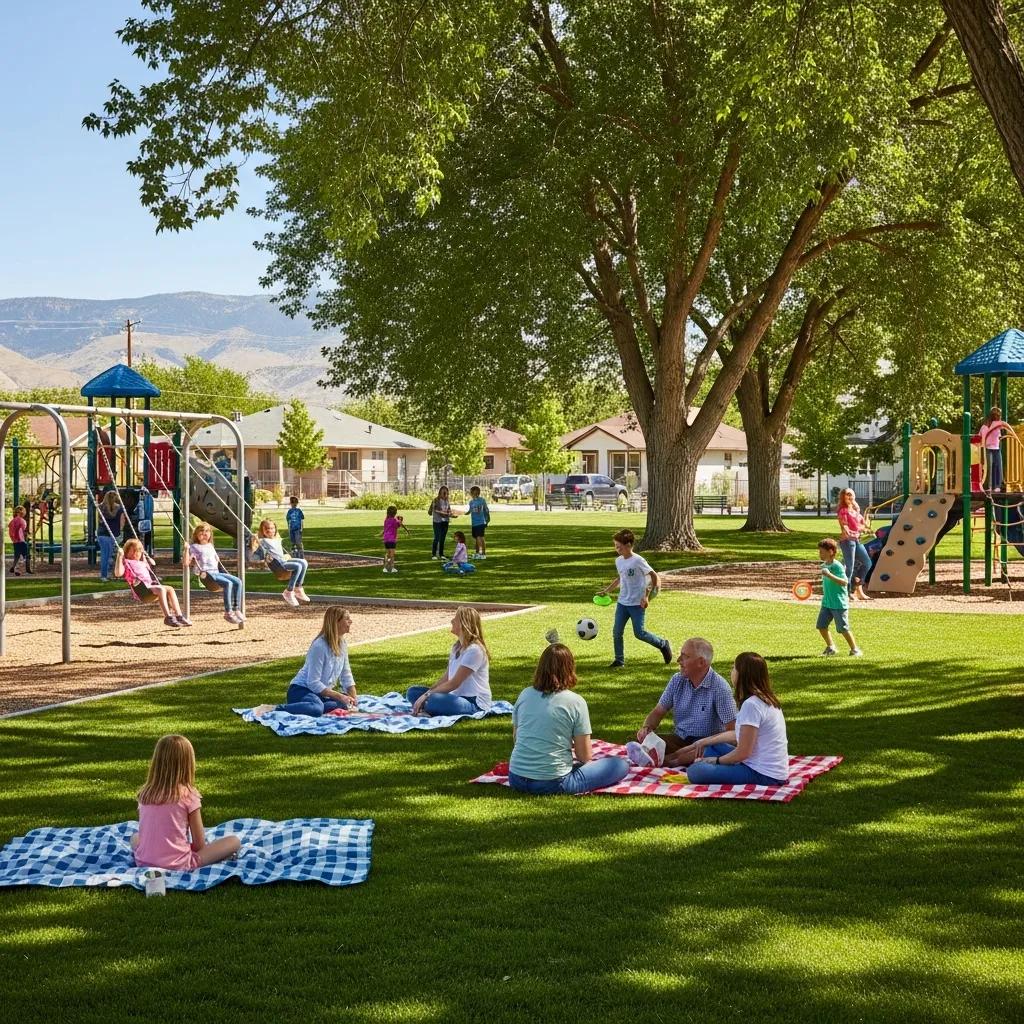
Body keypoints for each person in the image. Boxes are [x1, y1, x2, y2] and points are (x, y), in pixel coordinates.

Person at [508, 643, 629, 795]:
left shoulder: (525, 694)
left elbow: (517, 737)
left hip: (516, 777)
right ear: (569, 668)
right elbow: (584, 756)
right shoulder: (576, 702)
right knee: (620, 765)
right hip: (554, 783)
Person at [132, 734, 241, 871]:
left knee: (135, 837)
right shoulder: (188, 795)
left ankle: (153, 856)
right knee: (234, 841)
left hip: (144, 861)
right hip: (178, 864)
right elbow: (199, 845)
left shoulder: (145, 794)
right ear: (188, 763)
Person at [626, 637, 738, 768]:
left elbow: (732, 731)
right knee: (637, 740)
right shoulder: (677, 680)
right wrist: (646, 728)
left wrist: (706, 744)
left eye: (685, 657)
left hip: (705, 744)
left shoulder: (719, 688)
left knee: (693, 755)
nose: (679, 660)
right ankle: (661, 759)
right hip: (680, 739)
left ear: (701, 662)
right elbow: (658, 711)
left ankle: (663, 761)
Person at [685, 652, 790, 787]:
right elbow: (740, 734)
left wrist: (717, 761)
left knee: (695, 771)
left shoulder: (752, 705)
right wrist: (705, 741)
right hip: (761, 766)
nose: (731, 671)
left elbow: (743, 752)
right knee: (712, 746)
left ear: (743, 675)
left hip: (763, 774)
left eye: (734, 668)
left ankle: (708, 765)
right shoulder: (767, 699)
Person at [252, 607, 358, 718]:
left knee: (344, 703)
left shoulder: (342, 644)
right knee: (317, 709)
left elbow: (346, 675)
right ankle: (273, 708)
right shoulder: (319, 646)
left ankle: (308, 707)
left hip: (320, 693)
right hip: (301, 690)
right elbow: (313, 682)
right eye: (347, 619)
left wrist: (354, 700)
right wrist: (339, 696)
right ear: (336, 622)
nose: (351, 621)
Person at [597, 528, 672, 669]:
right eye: (615, 546)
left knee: (640, 633)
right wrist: (606, 591)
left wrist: (646, 596)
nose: (617, 549)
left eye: (619, 546)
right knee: (617, 632)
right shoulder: (618, 561)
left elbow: (654, 576)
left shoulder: (638, 560)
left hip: (637, 603)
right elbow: (620, 577)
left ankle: (663, 644)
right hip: (622, 602)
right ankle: (619, 660)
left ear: (629, 545)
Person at [407, 607, 492, 715]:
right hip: (455, 697)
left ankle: (429, 707)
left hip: (474, 702)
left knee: (434, 700)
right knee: (413, 692)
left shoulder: (475, 650)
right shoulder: (456, 647)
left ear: (463, 624)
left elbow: (454, 683)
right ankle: (429, 707)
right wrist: (427, 693)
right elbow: (446, 678)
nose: (451, 621)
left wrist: (428, 696)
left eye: (455, 619)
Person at [115, 539, 191, 627]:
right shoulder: (126, 562)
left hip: (150, 587)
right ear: (126, 552)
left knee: (170, 589)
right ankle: (168, 617)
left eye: (137, 551)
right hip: (141, 590)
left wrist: (145, 555)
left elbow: (153, 563)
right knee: (161, 589)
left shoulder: (142, 562)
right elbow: (118, 573)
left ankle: (179, 616)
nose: (135, 554)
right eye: (132, 551)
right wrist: (119, 557)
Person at [188, 522, 245, 623]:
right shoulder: (194, 547)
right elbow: (187, 562)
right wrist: (187, 552)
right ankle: (228, 612)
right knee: (228, 583)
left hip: (216, 572)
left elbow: (216, 563)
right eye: (201, 531)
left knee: (238, 581)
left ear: (210, 534)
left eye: (207, 531)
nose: (204, 533)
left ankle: (236, 609)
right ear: (196, 534)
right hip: (205, 574)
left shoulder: (210, 546)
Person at [816, 538, 861, 656]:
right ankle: (831, 647)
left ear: (831, 551)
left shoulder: (837, 566)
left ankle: (855, 649)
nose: (819, 554)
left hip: (839, 603)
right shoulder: (824, 565)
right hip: (827, 603)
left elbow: (844, 582)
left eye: (822, 552)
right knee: (821, 626)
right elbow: (826, 581)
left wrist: (829, 575)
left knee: (843, 628)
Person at [251, 518, 310, 607]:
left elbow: (280, 553)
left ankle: (298, 587)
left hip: (283, 561)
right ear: (262, 531)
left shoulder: (277, 539)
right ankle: (289, 591)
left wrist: (287, 556)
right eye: (266, 529)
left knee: (304, 562)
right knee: (297, 566)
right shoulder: (263, 541)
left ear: (275, 529)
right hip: (278, 565)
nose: (270, 530)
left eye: (272, 528)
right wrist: (255, 539)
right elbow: (256, 554)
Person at [836, 487, 871, 601]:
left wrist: (865, 527)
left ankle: (857, 584)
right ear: (843, 497)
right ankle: (846, 592)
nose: (850, 497)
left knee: (867, 563)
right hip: (847, 541)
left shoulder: (856, 510)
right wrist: (848, 530)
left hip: (856, 540)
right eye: (847, 495)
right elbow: (845, 524)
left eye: (851, 494)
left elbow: (863, 525)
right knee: (849, 567)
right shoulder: (843, 510)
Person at [979, 407, 1018, 493]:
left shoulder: (996, 425)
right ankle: (989, 486)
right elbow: (982, 439)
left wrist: (1014, 436)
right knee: (989, 467)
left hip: (995, 448)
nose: (998, 417)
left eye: (999, 415)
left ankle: (996, 486)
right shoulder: (986, 426)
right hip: (987, 449)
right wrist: (982, 451)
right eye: (997, 415)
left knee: (997, 467)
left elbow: (1007, 427)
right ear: (993, 416)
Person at [97, 490, 124, 582]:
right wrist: (120, 531)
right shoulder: (119, 509)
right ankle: (107, 575)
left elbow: (99, 521)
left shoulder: (101, 507)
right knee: (112, 555)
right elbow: (122, 523)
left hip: (102, 534)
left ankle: (105, 574)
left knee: (105, 555)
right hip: (113, 534)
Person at [428, 485, 457, 560]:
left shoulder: (447, 501)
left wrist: (452, 515)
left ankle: (441, 554)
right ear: (440, 493)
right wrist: (447, 514)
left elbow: (449, 510)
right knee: (437, 537)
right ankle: (434, 554)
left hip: (445, 522)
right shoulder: (436, 500)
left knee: (443, 538)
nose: (445, 495)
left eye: (446, 493)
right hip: (437, 522)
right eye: (443, 493)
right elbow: (436, 511)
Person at [380, 505, 410, 573]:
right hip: (392, 540)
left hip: (386, 539)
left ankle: (385, 568)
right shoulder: (395, 521)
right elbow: (399, 525)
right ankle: (392, 568)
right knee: (392, 555)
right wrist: (400, 520)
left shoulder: (386, 520)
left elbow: (385, 529)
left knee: (387, 554)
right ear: (395, 513)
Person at [467, 485, 490, 558]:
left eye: (476, 493)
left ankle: (482, 553)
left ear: (478, 493)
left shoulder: (482, 500)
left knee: (480, 537)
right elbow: (470, 511)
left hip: (480, 522)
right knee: (477, 537)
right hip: (474, 523)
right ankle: (477, 553)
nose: (474, 494)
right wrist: (462, 513)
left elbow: (486, 510)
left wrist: (487, 520)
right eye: (473, 493)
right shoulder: (471, 502)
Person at [8, 505, 30, 576]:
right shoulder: (22, 521)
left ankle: (13, 567)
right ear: (22, 512)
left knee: (17, 555)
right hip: (21, 540)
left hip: (15, 541)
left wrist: (13, 539)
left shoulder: (12, 522)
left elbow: (11, 532)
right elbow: (23, 530)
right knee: (24, 555)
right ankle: (17, 569)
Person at [137, 486, 155, 556]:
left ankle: (145, 551)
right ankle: (147, 551)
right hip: (148, 520)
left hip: (143, 520)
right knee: (147, 537)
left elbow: (137, 510)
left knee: (144, 537)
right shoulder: (150, 498)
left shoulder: (144, 500)